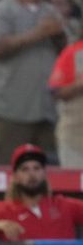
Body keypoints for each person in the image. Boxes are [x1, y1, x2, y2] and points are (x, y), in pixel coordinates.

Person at [0, 0, 65, 165]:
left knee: (49, 173)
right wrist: (38, 33)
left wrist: (58, 35)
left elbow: (67, 54)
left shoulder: (50, 11)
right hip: (13, 108)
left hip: (46, 108)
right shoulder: (2, 9)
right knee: (7, 170)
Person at [48, 37, 83, 167]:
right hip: (75, 139)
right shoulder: (73, 52)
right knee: (74, 184)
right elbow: (56, 92)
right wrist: (79, 85)